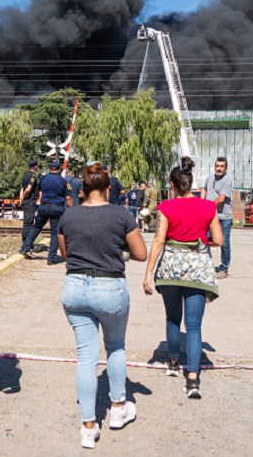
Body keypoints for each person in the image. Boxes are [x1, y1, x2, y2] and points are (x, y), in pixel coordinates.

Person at [57, 162, 147, 449]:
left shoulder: (68, 216)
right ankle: (118, 409)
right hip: (109, 287)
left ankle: (88, 426)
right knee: (116, 346)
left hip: (74, 288)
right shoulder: (120, 214)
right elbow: (141, 254)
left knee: (86, 357)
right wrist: (117, 250)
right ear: (109, 188)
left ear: (82, 190)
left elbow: (65, 254)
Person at [143, 156, 222, 399]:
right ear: (192, 182)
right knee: (194, 325)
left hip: (170, 269)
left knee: (173, 318)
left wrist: (148, 274)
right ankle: (193, 378)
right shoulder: (208, 207)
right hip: (196, 270)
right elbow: (218, 240)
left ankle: (174, 361)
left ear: (172, 184)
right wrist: (199, 241)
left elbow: (159, 240)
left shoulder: (166, 208)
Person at [19, 161, 67, 265]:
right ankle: (51, 258)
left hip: (44, 206)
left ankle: (25, 248)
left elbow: (39, 190)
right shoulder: (63, 181)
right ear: (59, 169)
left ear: (50, 169)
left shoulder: (43, 178)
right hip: (57, 208)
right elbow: (67, 196)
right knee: (55, 233)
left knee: (36, 227)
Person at [200, 157, 233, 279]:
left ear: (226, 167)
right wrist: (202, 201)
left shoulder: (227, 179)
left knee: (224, 243)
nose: (219, 168)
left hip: (223, 216)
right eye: (217, 166)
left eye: (222, 166)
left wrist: (206, 207)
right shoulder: (210, 177)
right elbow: (204, 188)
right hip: (209, 215)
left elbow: (221, 199)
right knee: (205, 240)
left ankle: (224, 268)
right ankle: (208, 266)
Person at [19, 160, 40, 243]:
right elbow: (28, 189)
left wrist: (21, 199)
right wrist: (24, 197)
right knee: (28, 222)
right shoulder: (32, 176)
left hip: (26, 201)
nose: (38, 167)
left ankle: (26, 243)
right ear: (34, 166)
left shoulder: (25, 175)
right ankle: (26, 243)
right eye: (37, 165)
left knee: (27, 221)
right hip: (30, 201)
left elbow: (22, 189)